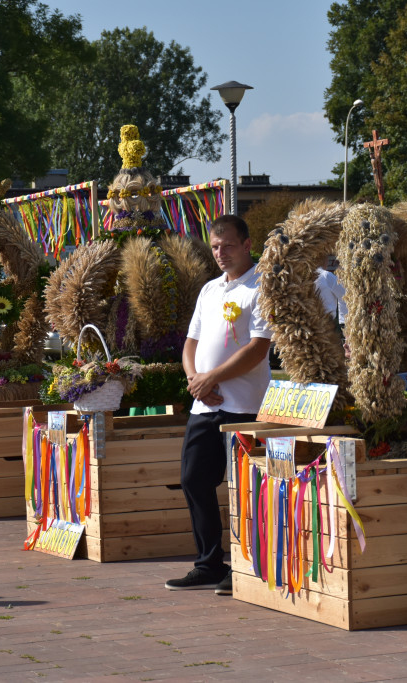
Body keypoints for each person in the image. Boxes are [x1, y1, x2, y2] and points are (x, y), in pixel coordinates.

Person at [166, 215, 272, 596]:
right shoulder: (210, 290)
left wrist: (214, 379)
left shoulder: (262, 286)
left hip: (243, 405)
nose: (220, 253)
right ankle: (209, 562)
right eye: (214, 247)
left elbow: (257, 349)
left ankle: (245, 566)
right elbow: (191, 343)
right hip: (204, 407)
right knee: (194, 480)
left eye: (227, 245)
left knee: (244, 489)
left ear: (247, 244)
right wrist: (196, 381)